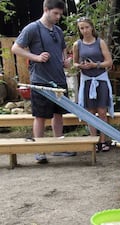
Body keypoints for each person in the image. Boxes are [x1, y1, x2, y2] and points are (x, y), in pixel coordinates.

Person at [11, 0, 76, 164]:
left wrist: (65, 61)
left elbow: (62, 49)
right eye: (55, 13)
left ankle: (59, 147)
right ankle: (39, 150)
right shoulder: (32, 28)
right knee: (40, 116)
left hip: (59, 80)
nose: (58, 17)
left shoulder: (58, 30)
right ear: (45, 9)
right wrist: (36, 57)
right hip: (41, 81)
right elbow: (15, 48)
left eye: (60, 14)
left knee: (58, 115)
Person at [72, 17, 114, 152]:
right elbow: (75, 62)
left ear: (92, 28)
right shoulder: (77, 44)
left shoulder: (100, 42)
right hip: (87, 80)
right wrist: (81, 66)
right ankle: (93, 140)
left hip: (100, 79)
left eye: (87, 27)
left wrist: (95, 65)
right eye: (82, 28)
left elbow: (109, 62)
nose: (85, 30)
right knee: (90, 112)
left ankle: (103, 140)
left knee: (102, 111)